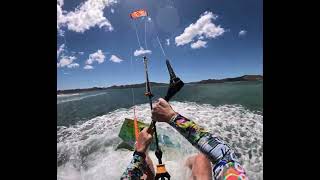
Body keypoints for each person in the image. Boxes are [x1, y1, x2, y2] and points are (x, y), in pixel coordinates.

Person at [121, 98, 248, 180]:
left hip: (140, 156)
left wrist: (140, 151)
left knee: (145, 162)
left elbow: (223, 154)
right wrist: (171, 117)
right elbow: (225, 157)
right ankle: (180, 169)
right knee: (202, 157)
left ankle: (144, 155)